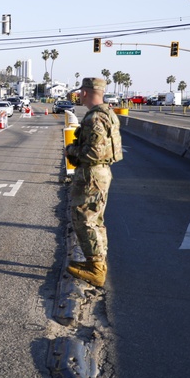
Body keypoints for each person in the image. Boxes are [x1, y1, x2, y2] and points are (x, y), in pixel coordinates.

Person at [65, 77, 123, 287]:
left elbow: (93, 152)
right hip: (100, 174)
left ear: (87, 93)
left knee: (84, 219)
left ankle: (96, 269)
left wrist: (70, 150)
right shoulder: (107, 113)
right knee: (96, 220)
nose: (79, 95)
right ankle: (98, 262)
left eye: (81, 92)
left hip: (91, 175)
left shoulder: (94, 118)